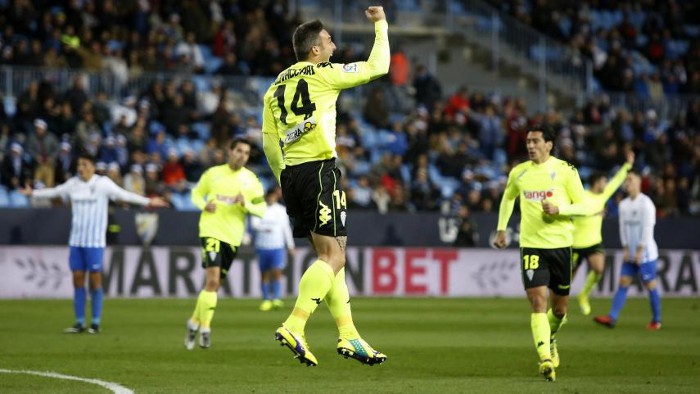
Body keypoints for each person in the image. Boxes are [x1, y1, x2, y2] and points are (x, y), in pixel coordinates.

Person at [261, 6, 389, 367]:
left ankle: (348, 334)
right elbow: (378, 67)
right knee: (332, 256)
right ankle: (294, 324)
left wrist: (283, 179)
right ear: (314, 50)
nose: (334, 46)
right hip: (320, 170)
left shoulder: (273, 89)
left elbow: (270, 144)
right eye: (329, 41)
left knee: (335, 254)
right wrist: (380, 24)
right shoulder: (323, 74)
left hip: (293, 175)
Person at [20, 153, 168, 334]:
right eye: (79, 165)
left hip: (95, 242)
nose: (80, 168)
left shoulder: (102, 184)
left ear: (92, 166)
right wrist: (33, 193)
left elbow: (124, 195)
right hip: (76, 241)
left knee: (95, 281)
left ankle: (96, 322)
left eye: (84, 164)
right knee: (77, 280)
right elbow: (55, 191)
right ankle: (80, 322)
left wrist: (148, 201)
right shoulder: (73, 184)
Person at [494, 125, 592, 382]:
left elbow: (585, 206)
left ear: (549, 144)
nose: (530, 145)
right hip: (532, 246)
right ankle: (545, 359)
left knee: (559, 311)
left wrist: (559, 208)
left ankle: (550, 336)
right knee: (538, 302)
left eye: (536, 141)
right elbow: (508, 197)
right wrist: (502, 228)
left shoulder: (565, 171)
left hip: (560, 246)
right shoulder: (519, 172)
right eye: (528, 141)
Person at [184, 138, 265, 350]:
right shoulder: (213, 174)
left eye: (246, 153)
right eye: (239, 150)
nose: (242, 155)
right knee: (212, 281)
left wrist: (244, 203)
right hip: (211, 231)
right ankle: (205, 329)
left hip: (233, 237)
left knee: (215, 285)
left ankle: (193, 322)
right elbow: (195, 193)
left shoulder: (251, 180)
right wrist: (204, 204)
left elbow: (262, 209)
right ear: (230, 151)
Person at [594, 171, 662, 330]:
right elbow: (623, 228)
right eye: (626, 181)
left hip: (646, 255)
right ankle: (612, 317)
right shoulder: (623, 205)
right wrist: (625, 248)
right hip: (630, 254)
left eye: (630, 180)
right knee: (623, 283)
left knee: (650, 285)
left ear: (638, 183)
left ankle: (656, 320)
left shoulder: (646, 204)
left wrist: (639, 251)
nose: (627, 183)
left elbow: (647, 229)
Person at [573, 150, 634, 316]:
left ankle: (583, 295)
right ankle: (557, 310)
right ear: (596, 182)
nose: (606, 184)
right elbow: (572, 212)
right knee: (566, 281)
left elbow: (616, 181)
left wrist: (628, 165)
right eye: (603, 181)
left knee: (599, 268)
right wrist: (593, 214)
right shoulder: (581, 196)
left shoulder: (602, 197)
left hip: (593, 242)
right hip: (575, 243)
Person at [250, 186, 295, 311]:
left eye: (273, 196)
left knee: (277, 272)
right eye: (269, 196)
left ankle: (276, 298)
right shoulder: (259, 209)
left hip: (277, 246)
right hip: (262, 246)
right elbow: (254, 225)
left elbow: (286, 229)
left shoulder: (281, 210)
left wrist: (290, 245)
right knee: (264, 274)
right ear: (266, 197)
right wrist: (265, 228)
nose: (271, 198)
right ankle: (265, 299)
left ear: (276, 197)